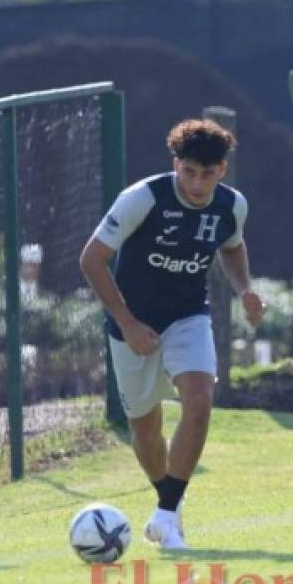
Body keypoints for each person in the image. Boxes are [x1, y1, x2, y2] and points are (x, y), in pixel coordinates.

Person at [79, 118, 265, 549]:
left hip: (188, 315)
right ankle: (169, 503)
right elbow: (91, 259)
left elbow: (232, 247)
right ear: (175, 165)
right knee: (145, 429)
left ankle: (165, 514)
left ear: (222, 169)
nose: (198, 184)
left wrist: (245, 290)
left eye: (208, 173)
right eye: (189, 172)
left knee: (199, 401)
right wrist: (127, 323)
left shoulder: (232, 206)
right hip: (132, 321)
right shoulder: (143, 198)